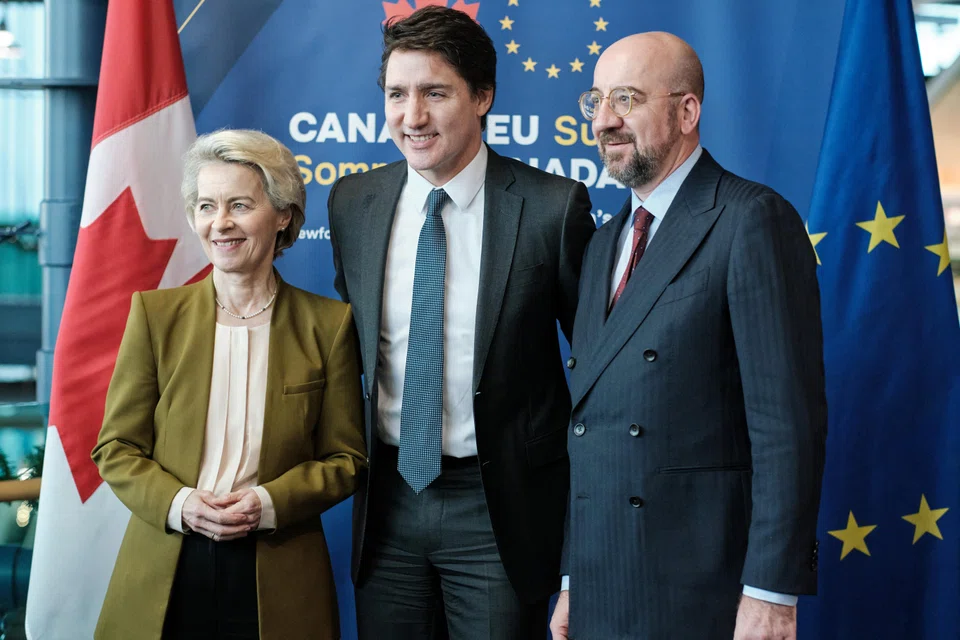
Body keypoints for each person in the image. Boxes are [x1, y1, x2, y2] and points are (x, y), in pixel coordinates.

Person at [327, 6, 595, 638]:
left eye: (435, 93)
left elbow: (599, 373)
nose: (411, 117)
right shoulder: (353, 203)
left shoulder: (553, 210)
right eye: (397, 94)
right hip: (387, 505)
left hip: (500, 511)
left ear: (483, 97)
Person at [550, 32, 828, 640]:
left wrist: (771, 591)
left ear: (686, 111)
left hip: (705, 590)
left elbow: (787, 426)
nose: (603, 121)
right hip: (604, 584)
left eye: (625, 99)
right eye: (594, 101)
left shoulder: (751, 218)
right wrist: (574, 578)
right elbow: (591, 428)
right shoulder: (603, 244)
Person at [91, 129, 366, 640]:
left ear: (283, 214)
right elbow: (116, 447)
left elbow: (345, 460)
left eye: (240, 204)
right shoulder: (155, 316)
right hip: (168, 561)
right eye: (206, 206)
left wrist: (265, 504)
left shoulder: (328, 325)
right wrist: (181, 504)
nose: (220, 223)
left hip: (279, 568)